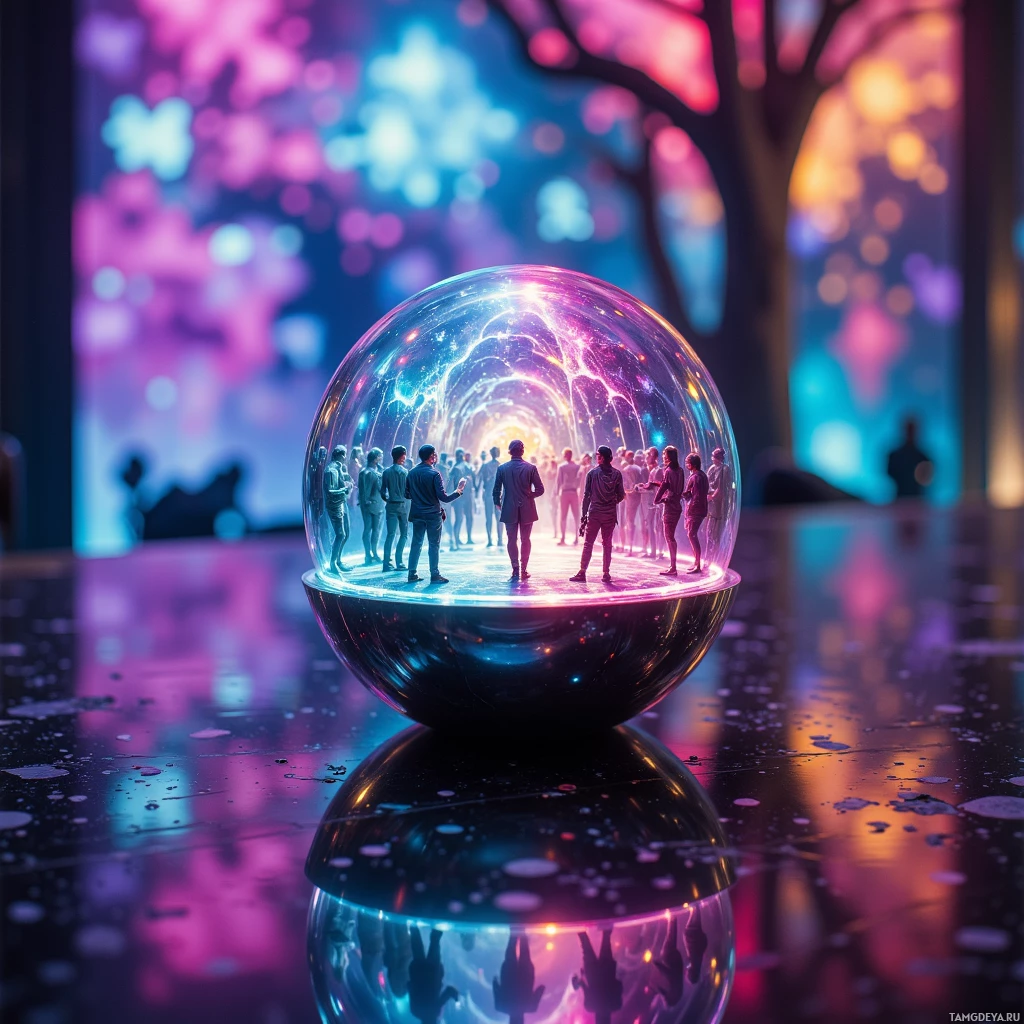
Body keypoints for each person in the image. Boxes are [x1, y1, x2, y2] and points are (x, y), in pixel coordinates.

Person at [404, 444, 465, 584]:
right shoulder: (434, 474)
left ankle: (411, 573)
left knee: (416, 543)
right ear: (432, 456)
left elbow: (406, 494)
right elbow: (443, 498)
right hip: (433, 515)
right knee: (433, 544)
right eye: (434, 454)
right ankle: (435, 574)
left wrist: (419, 497)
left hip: (417, 514)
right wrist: (459, 491)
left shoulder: (411, 472)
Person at [571, 445, 625, 584]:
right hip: (610, 514)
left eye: (598, 455)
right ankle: (606, 573)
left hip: (594, 513)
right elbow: (621, 495)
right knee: (607, 544)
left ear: (602, 457)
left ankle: (582, 571)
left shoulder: (592, 474)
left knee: (588, 543)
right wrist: (611, 502)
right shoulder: (617, 474)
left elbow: (586, 496)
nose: (597, 457)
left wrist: (584, 514)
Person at [492, 439, 545, 581]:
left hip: (509, 507)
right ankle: (524, 569)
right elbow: (540, 489)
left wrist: (498, 503)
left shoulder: (502, 468)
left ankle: (515, 569)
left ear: (509, 451)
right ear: (522, 451)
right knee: (525, 539)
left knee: (511, 539)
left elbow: (496, 489)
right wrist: (530, 495)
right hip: (527, 508)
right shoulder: (531, 468)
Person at [654, 446, 685, 575]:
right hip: (677, 506)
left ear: (669, 456)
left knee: (669, 537)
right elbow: (679, 488)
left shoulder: (668, 471)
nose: (663, 456)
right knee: (671, 536)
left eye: (665, 454)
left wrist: (657, 499)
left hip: (670, 506)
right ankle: (673, 566)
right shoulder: (681, 470)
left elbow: (664, 486)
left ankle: (673, 567)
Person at [380, 445, 410, 572]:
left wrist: (388, 499)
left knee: (390, 535)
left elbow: (382, 491)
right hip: (402, 506)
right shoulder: (405, 472)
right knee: (404, 534)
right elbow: (408, 491)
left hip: (391, 505)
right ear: (402, 456)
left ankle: (386, 564)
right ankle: (399, 562)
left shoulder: (386, 472)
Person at [886, 416, 933, 499]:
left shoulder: (922, 457)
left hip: (918, 499)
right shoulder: (895, 456)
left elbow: (927, 476)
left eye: (912, 430)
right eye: (909, 430)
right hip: (900, 498)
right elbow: (890, 472)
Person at [323, 445, 353, 574]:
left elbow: (341, 483)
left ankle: (338, 560)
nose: (346, 457)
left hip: (342, 502)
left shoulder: (339, 468)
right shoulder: (331, 471)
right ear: (340, 455)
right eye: (344, 454)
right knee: (340, 534)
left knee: (346, 532)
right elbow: (330, 491)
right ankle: (332, 563)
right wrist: (344, 489)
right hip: (334, 504)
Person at [705, 446, 733, 569]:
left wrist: (713, 496)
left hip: (719, 504)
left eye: (716, 456)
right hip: (710, 502)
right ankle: (708, 556)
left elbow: (722, 488)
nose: (713, 459)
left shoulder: (725, 469)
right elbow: (707, 483)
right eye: (713, 456)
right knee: (709, 532)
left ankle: (716, 557)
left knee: (717, 532)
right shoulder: (712, 468)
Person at [681, 452, 709, 573]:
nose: (686, 465)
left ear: (692, 464)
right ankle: (696, 562)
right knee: (691, 535)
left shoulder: (696, 477)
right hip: (699, 509)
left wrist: (689, 508)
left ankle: (697, 565)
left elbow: (696, 496)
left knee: (692, 535)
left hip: (695, 510)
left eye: (687, 462)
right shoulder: (702, 475)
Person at [358, 447, 385, 564]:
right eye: (380, 456)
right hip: (371, 505)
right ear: (375, 459)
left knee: (375, 530)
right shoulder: (367, 473)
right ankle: (369, 554)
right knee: (370, 529)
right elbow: (365, 491)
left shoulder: (376, 471)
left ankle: (373, 553)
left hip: (377, 504)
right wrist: (366, 501)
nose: (381, 458)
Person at [448, 448, 476, 546]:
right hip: (458, 497)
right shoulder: (454, 468)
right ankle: (456, 539)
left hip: (468, 496)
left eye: (461, 455)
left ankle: (469, 537)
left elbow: (473, 476)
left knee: (469, 517)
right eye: (458, 455)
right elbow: (451, 482)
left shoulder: (468, 466)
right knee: (459, 518)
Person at [640, 446, 663, 559]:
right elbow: (649, 486)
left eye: (648, 455)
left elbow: (657, 486)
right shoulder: (653, 470)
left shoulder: (658, 470)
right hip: (651, 502)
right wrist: (641, 487)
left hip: (657, 503)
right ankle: (653, 551)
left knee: (658, 527)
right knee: (650, 525)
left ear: (653, 456)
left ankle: (659, 551)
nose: (646, 458)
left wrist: (644, 488)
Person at [478, 446, 503, 548]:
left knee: (490, 518)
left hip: (489, 494)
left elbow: (480, 479)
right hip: (495, 495)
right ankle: (499, 540)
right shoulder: (501, 466)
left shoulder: (486, 466)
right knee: (498, 518)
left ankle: (492, 540)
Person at [620, 450, 644, 555]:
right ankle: (639, 546)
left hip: (630, 497)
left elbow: (624, 485)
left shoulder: (625, 470)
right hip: (639, 497)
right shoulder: (639, 469)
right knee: (642, 521)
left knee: (630, 522)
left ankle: (630, 547)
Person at [556, 448, 581, 545]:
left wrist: (557, 493)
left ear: (565, 455)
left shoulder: (561, 467)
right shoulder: (577, 466)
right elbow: (579, 480)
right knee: (576, 516)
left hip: (565, 492)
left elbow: (559, 481)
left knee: (563, 516)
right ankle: (576, 538)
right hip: (574, 492)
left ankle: (563, 538)